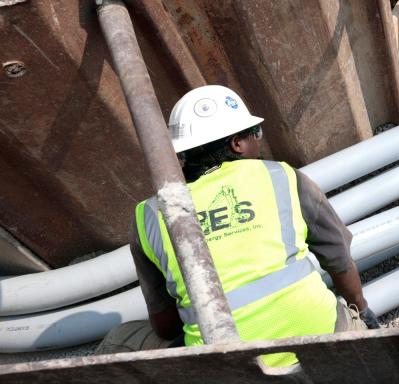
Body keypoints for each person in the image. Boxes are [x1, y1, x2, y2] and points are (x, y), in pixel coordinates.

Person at [97, 85, 378, 365]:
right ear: (237, 143)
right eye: (255, 133)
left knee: (118, 338)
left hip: (227, 370)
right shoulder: (283, 177)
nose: (259, 140)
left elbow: (166, 326)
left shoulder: (150, 214)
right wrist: (362, 312)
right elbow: (339, 261)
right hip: (325, 343)